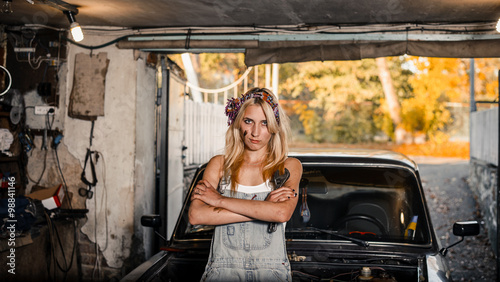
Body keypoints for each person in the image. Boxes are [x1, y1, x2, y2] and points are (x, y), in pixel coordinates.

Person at [188, 87, 302, 281]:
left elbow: (282, 213)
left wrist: (219, 200)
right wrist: (265, 209)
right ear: (238, 122)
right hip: (222, 272)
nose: (255, 132)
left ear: (274, 126)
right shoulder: (220, 164)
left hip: (271, 274)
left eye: (264, 123)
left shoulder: (288, 166)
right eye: (248, 121)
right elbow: (196, 215)